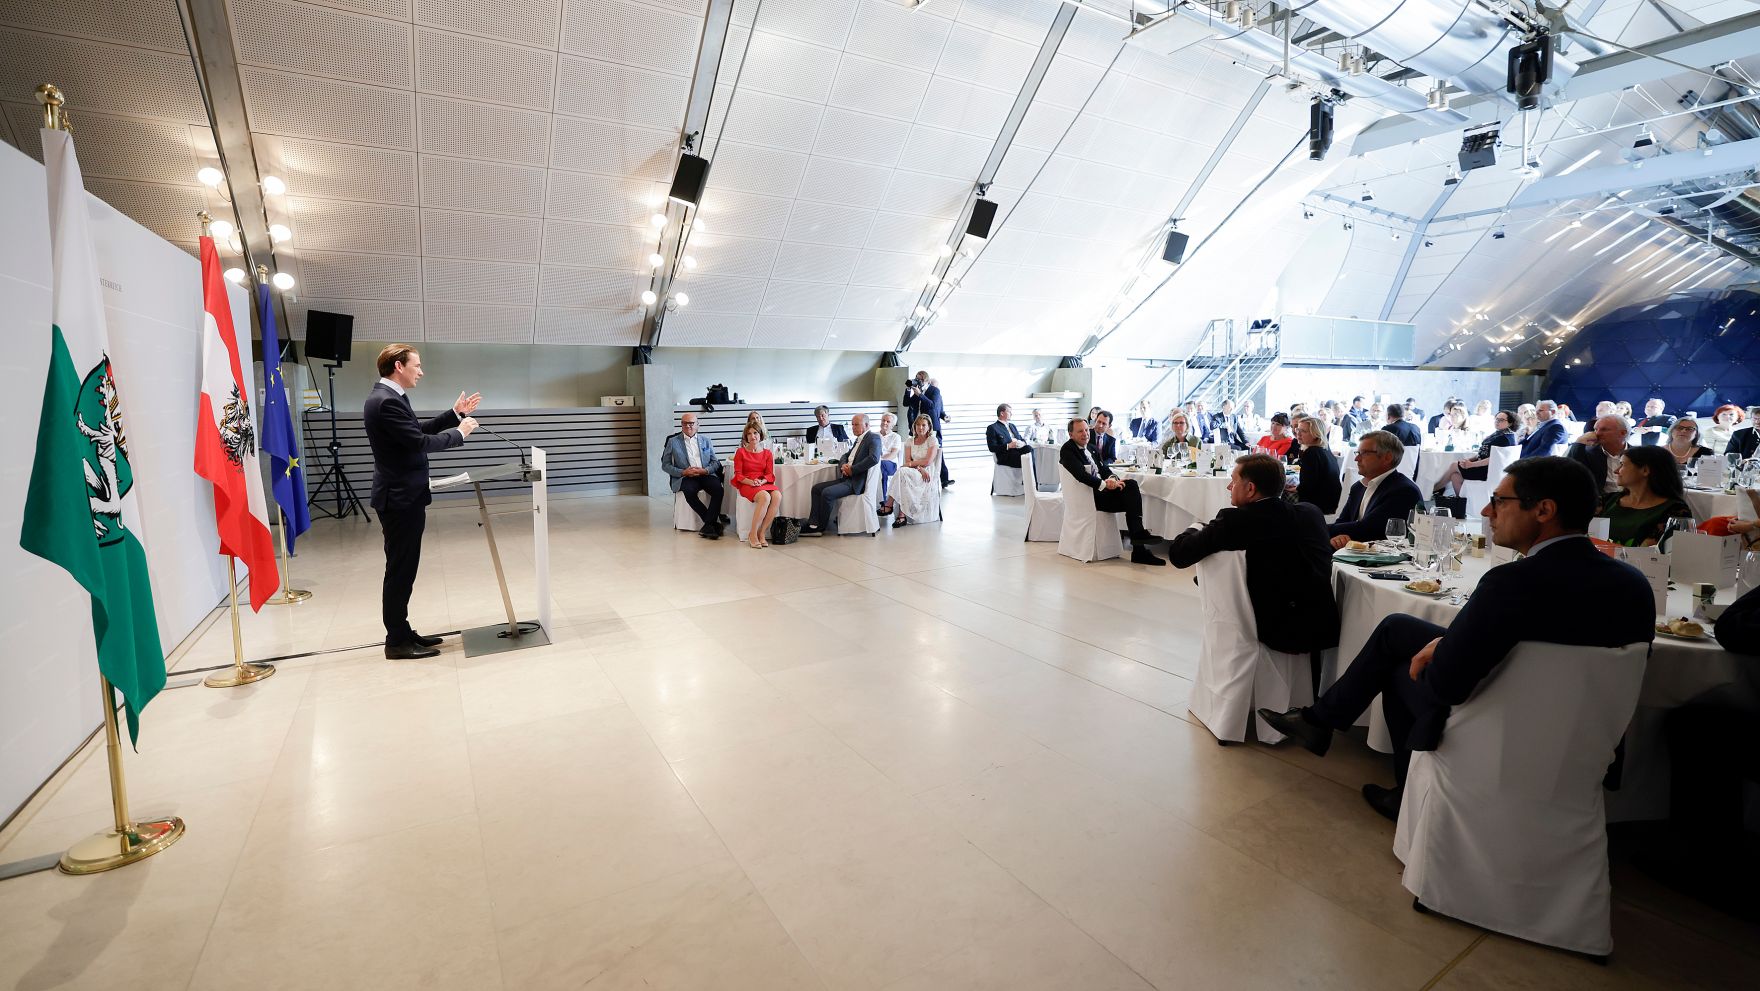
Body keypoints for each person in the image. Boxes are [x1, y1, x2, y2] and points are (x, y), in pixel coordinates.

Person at [1260, 457, 1654, 820]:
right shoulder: (1634, 583)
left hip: (1502, 726)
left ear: (1544, 510)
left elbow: (1447, 684)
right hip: (1585, 733)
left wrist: (1445, 649)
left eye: (1499, 501)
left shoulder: (1511, 582)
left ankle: (1403, 793)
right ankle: (1321, 721)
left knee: (1401, 670)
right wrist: (1448, 643)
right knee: (1398, 627)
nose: (1485, 511)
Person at [363, 345, 480, 659]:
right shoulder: (385, 401)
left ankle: (402, 631)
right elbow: (419, 442)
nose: (421, 371)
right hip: (400, 499)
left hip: (405, 496)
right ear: (399, 366)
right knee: (400, 571)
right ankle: (397, 642)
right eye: (417, 365)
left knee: (405, 569)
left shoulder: (391, 397)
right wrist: (460, 433)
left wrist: (454, 414)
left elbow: (414, 430)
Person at [1166, 454, 1340, 653]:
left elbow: (1178, 555)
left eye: (1233, 480)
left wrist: (1195, 526)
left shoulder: (1236, 521)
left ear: (1250, 489)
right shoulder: (1311, 512)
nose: (1229, 487)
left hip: (1275, 631)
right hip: (1323, 624)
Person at [1060, 418, 1164, 566]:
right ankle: (1139, 547)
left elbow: (1104, 470)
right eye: (1080, 431)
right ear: (1071, 434)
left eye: (1085, 430)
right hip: (1089, 497)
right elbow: (1080, 475)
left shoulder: (1091, 448)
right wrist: (1104, 484)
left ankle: (1138, 542)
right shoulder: (1067, 450)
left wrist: (1113, 479)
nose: (1085, 434)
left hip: (1102, 493)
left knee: (1131, 486)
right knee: (1131, 497)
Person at [1328, 430, 1423, 549]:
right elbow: (1342, 522)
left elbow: (1369, 529)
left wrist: (1320, 528)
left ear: (1387, 457)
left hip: (1386, 559)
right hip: (1356, 550)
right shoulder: (1358, 487)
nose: (1357, 458)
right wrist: (1337, 537)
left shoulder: (1404, 491)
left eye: (1364, 453)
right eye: (1357, 453)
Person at [802, 413, 882, 536]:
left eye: (856, 425)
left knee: (827, 493)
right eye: (852, 425)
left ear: (866, 425)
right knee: (816, 488)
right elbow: (845, 455)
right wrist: (843, 466)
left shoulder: (873, 438)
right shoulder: (859, 439)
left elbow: (874, 458)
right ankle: (813, 523)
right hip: (846, 477)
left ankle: (821, 527)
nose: (853, 427)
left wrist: (853, 470)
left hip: (856, 482)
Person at [1597, 445, 1693, 547]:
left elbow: (1651, 553)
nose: (1616, 471)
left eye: (1622, 464)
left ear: (1645, 470)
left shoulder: (1676, 511)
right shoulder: (1607, 500)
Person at [662, 411, 726, 539]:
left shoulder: (706, 440)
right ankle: (712, 523)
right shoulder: (673, 441)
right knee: (689, 491)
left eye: (691, 423)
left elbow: (715, 462)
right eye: (684, 424)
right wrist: (683, 472)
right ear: (681, 425)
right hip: (686, 476)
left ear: (698, 425)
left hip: (705, 474)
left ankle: (708, 524)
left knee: (718, 489)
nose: (688, 426)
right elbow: (665, 465)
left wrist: (705, 470)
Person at [1433, 409, 1517, 499]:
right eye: (1496, 419)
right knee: (1455, 477)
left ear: (1510, 423)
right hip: (1483, 467)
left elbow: (1492, 459)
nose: (1497, 422)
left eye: (1501, 420)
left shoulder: (1505, 438)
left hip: (1488, 471)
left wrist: (1471, 464)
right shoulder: (1500, 434)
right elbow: (1483, 452)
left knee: (1454, 465)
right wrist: (1470, 460)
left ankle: (1434, 489)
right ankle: (1463, 503)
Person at [732, 424, 780, 549]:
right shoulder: (740, 452)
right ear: (746, 437)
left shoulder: (767, 453)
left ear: (760, 435)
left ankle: (762, 532)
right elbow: (738, 475)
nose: (753, 436)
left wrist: (762, 481)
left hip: (762, 482)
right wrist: (751, 482)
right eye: (749, 434)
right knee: (765, 497)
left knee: (777, 496)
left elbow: (770, 474)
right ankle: (752, 534)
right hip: (746, 483)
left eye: (755, 433)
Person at [903, 371, 951, 486]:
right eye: (916, 379)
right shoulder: (917, 391)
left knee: (936, 451)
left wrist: (920, 395)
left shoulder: (934, 391)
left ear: (926, 380)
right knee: (919, 450)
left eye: (920, 379)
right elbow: (906, 403)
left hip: (931, 426)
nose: (918, 381)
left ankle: (942, 478)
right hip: (917, 426)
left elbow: (933, 406)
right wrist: (908, 389)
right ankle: (918, 473)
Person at [1566, 414, 1631, 495]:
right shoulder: (1588, 453)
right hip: (1600, 502)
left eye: (1604, 429)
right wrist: (1579, 442)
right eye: (1595, 429)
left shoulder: (1638, 455)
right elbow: (1569, 474)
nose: (1597, 433)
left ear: (1623, 433)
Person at [894, 414, 940, 526]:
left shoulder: (932, 440)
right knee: (902, 473)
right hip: (916, 470)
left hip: (927, 472)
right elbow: (908, 461)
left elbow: (927, 462)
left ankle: (892, 507)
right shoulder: (909, 441)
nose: (920, 428)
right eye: (918, 425)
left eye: (924, 425)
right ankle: (901, 514)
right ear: (914, 427)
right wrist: (918, 467)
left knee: (902, 472)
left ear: (929, 427)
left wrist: (911, 464)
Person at [1290, 415, 1341, 514]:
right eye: (1298, 430)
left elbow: (1307, 487)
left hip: (1317, 507)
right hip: (1330, 503)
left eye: (1304, 431)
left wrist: (1297, 489)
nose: (1298, 434)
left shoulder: (1312, 453)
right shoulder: (1325, 451)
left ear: (1316, 434)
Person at [987, 403, 1031, 469]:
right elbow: (992, 448)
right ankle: (1026, 478)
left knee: (1029, 449)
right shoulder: (992, 428)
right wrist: (1008, 446)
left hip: (1018, 450)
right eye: (1009, 412)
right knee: (1025, 460)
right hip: (1006, 455)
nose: (1011, 414)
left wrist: (1023, 443)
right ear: (1002, 413)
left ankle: (1032, 478)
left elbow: (1020, 438)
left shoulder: (1012, 425)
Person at [876, 411, 903, 516]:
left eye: (888, 421)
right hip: (876, 463)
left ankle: (885, 502)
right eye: (883, 420)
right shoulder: (874, 435)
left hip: (890, 464)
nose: (885, 423)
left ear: (893, 424)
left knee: (882, 467)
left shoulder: (896, 437)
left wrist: (879, 460)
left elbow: (893, 454)